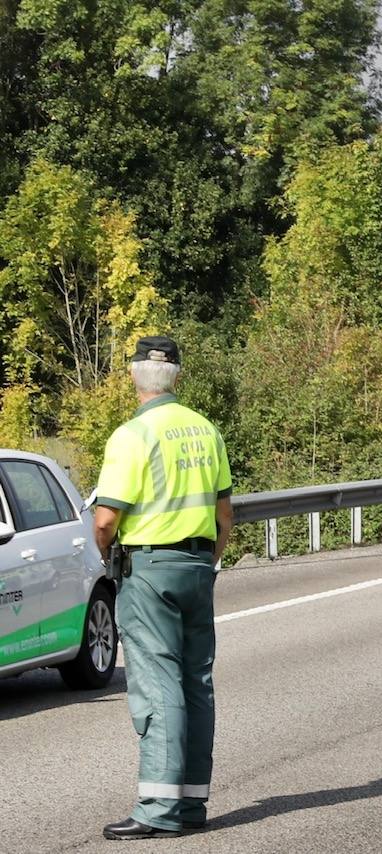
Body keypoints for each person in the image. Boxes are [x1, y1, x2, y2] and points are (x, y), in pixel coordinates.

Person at [94, 336, 234, 840]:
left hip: (149, 568)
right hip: (197, 564)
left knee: (158, 685)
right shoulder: (206, 430)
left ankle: (158, 807)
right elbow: (224, 513)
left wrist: (105, 555)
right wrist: (207, 561)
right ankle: (192, 804)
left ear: (134, 375)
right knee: (197, 684)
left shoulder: (132, 435)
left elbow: (107, 517)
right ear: (177, 374)